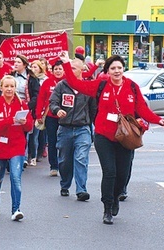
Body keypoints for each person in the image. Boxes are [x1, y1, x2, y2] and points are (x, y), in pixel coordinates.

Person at [59, 53, 164, 225]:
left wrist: (158, 119)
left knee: (122, 175)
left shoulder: (132, 87)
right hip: (104, 135)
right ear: (107, 71)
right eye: (113, 68)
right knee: (109, 172)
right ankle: (107, 207)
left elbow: (142, 108)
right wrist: (66, 64)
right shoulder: (101, 85)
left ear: (123, 69)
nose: (116, 71)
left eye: (119, 68)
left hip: (125, 137)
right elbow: (76, 84)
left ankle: (116, 197)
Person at [0, 75, 33, 221]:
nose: (9, 89)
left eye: (12, 86)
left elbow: (30, 126)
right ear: (1, 88)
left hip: (17, 146)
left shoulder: (22, 104)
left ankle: (16, 209)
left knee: (16, 177)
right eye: (6, 86)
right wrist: (8, 121)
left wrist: (24, 123)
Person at [49, 58, 96, 201]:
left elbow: (93, 109)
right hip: (65, 129)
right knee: (64, 160)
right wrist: (57, 110)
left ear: (82, 70)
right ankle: (65, 184)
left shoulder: (87, 87)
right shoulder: (61, 86)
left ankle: (81, 189)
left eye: (74, 68)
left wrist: (92, 124)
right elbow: (53, 102)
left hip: (82, 129)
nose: (70, 70)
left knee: (81, 158)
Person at [36, 60, 65, 176]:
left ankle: (64, 164)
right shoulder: (47, 82)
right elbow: (41, 99)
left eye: (60, 69)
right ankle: (53, 166)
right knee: (52, 141)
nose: (58, 71)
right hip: (51, 116)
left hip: (65, 117)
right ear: (52, 71)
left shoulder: (67, 82)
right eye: (56, 69)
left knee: (64, 142)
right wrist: (38, 114)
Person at [12, 54, 40, 167]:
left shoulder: (32, 78)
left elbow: (36, 95)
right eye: (15, 62)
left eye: (18, 62)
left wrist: (28, 106)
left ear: (24, 64)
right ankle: (11, 155)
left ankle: (22, 156)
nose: (15, 64)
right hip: (11, 106)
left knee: (23, 133)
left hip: (25, 107)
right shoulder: (10, 76)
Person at [30, 60, 48, 162]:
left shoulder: (44, 79)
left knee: (39, 133)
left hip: (43, 109)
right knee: (32, 134)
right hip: (33, 109)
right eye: (32, 67)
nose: (33, 69)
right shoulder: (30, 79)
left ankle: (37, 153)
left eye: (35, 67)